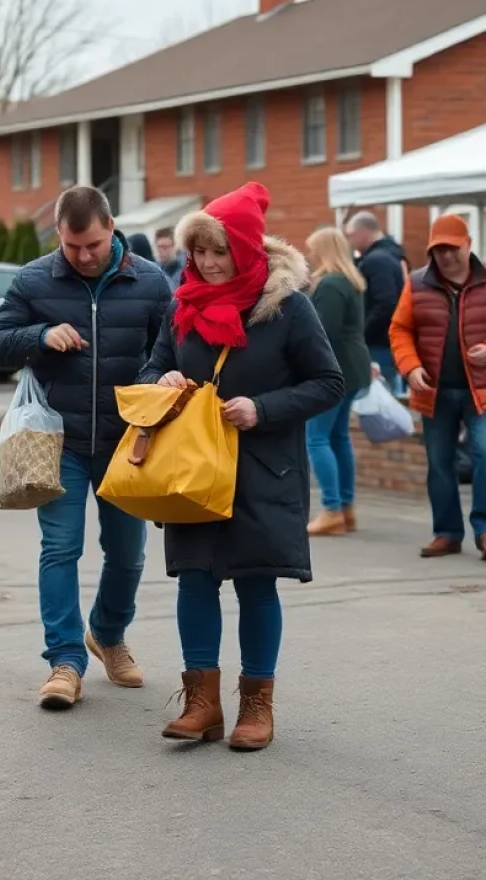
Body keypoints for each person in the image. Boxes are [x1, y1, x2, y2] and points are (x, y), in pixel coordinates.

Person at [139, 183, 342, 751]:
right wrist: (165, 381)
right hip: (193, 468)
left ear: (247, 250)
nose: (206, 262)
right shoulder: (183, 304)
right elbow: (155, 365)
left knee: (255, 584)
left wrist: (263, 408)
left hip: (262, 468)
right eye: (198, 251)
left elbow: (328, 383)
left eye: (218, 252)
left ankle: (257, 705)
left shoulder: (288, 308)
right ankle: (201, 703)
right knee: (195, 579)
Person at [0, 185, 172, 709]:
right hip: (57, 441)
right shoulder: (34, 279)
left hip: (127, 442)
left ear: (111, 229)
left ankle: (108, 634)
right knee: (61, 548)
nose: (84, 256)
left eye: (92, 244)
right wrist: (40, 335)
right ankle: (65, 660)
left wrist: (168, 378)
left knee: (129, 555)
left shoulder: (151, 282)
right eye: (73, 247)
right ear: (59, 238)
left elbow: (171, 349)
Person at [389, 215, 486, 559]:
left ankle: (485, 529)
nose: (445, 255)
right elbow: (399, 330)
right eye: (438, 249)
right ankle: (447, 532)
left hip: (481, 391)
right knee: (439, 462)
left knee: (484, 453)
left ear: (468, 244)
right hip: (434, 392)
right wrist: (410, 367)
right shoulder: (416, 284)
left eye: (451, 247)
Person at [305, 227, 372, 536]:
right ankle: (346, 508)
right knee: (338, 437)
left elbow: (323, 334)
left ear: (324, 250)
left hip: (335, 370)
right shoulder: (351, 281)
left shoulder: (330, 284)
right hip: (355, 367)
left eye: (312, 249)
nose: (309, 255)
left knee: (316, 437)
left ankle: (332, 509)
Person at [345, 212, 407, 394]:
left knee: (378, 400)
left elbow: (385, 304)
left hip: (378, 344)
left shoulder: (376, 261)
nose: (350, 242)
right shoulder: (392, 256)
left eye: (351, 236)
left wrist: (361, 333)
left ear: (363, 232)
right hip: (388, 341)